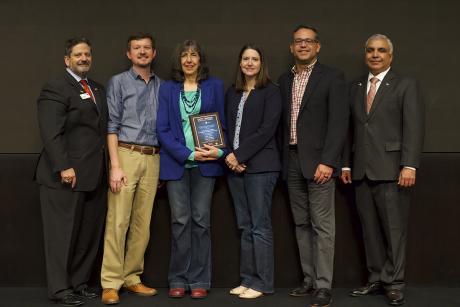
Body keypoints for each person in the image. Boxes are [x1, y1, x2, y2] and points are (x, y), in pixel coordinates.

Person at [341, 34, 424, 306]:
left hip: (392, 170)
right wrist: (346, 163)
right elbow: (351, 129)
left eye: (381, 51)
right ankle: (376, 278)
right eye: (370, 50)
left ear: (390, 55)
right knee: (370, 229)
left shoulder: (405, 84)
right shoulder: (355, 86)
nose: (375, 55)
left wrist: (408, 164)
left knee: (393, 230)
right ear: (365, 54)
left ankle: (395, 282)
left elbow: (413, 127)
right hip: (361, 170)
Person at [278, 25, 348, 307]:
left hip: (319, 163)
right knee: (301, 223)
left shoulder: (332, 77)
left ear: (318, 46)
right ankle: (309, 279)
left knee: (323, 226)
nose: (303, 45)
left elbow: (339, 123)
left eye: (308, 41)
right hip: (291, 160)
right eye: (298, 41)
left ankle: (323, 286)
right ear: (291, 47)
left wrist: (328, 161)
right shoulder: (284, 80)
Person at [35, 37, 108, 306]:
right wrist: (64, 166)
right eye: (78, 54)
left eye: (87, 54)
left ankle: (79, 283)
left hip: (95, 175)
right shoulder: (56, 87)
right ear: (67, 59)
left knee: (87, 235)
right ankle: (59, 288)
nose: (84, 58)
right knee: (61, 235)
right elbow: (50, 132)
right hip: (65, 175)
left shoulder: (97, 89)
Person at [157, 40, 226, 299]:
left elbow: (223, 124)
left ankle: (199, 280)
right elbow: (162, 129)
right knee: (179, 222)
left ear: (200, 59)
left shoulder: (214, 86)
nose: (188, 60)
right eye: (184, 55)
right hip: (176, 164)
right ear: (179, 61)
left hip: (206, 165)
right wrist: (186, 152)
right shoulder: (167, 89)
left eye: (193, 55)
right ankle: (178, 278)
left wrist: (216, 151)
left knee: (201, 222)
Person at [100, 33, 161, 305]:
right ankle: (111, 282)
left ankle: (132, 278)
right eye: (137, 48)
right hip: (125, 154)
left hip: (154, 157)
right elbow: (111, 125)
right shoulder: (118, 82)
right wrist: (115, 166)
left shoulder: (163, 85)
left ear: (154, 53)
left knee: (142, 224)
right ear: (129, 54)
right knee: (118, 221)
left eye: (147, 48)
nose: (142, 52)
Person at [225, 44, 282, 299]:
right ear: (240, 63)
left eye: (255, 59)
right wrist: (230, 157)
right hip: (235, 168)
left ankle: (263, 283)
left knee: (260, 226)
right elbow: (224, 127)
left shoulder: (271, 92)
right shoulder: (233, 92)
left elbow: (267, 130)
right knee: (245, 226)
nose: (250, 63)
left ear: (261, 63)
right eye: (245, 59)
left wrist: (240, 155)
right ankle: (247, 279)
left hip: (261, 167)